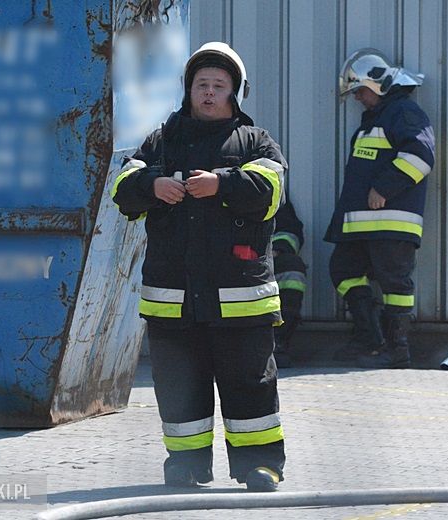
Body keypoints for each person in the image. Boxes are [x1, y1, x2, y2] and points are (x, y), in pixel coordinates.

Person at [110, 42, 286, 492]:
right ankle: (186, 465)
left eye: (219, 86)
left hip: (240, 299)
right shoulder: (160, 142)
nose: (208, 93)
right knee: (179, 386)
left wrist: (221, 184)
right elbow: (122, 188)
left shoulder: (255, 141)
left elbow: (270, 192)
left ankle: (260, 465)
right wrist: (153, 185)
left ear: (235, 94)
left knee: (250, 383)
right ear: (187, 90)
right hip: (173, 299)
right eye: (201, 84)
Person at [324, 48, 435, 369]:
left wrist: (385, 188)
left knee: (395, 283)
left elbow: (421, 156)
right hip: (362, 226)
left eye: (360, 90)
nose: (357, 98)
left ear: (378, 83)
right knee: (343, 270)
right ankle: (369, 337)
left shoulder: (403, 112)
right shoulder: (377, 118)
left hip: (392, 223)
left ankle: (397, 349)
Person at [271, 197, 307, 368]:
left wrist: (277, 249)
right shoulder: (200, 189)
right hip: (217, 263)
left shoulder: (264, 186)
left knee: (292, 269)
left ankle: (278, 342)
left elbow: (291, 231)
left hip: (260, 259)